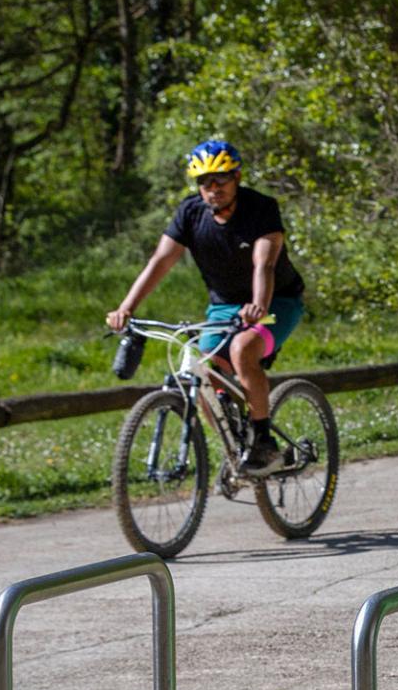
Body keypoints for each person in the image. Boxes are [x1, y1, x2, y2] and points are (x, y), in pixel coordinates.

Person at [106, 140, 306, 474]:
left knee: (243, 350)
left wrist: (258, 305)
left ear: (237, 176)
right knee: (202, 367)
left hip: (276, 300)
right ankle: (235, 445)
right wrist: (126, 307)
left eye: (220, 179)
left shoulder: (261, 208)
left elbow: (264, 264)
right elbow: (161, 261)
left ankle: (263, 441)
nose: (212, 188)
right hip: (224, 306)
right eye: (204, 182)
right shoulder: (190, 212)